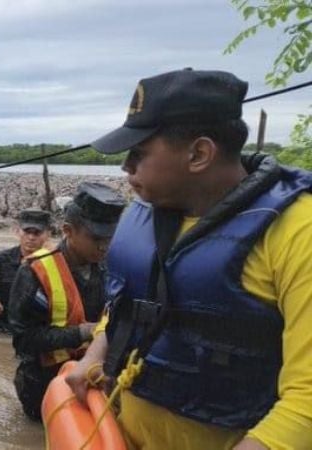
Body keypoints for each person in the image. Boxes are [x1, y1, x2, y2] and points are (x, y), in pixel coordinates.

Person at [65, 69, 312, 450]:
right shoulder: (145, 210)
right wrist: (96, 352)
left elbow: (306, 399)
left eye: (139, 153)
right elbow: (128, 305)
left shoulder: (298, 232)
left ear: (199, 153)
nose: (125, 167)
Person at [8, 182, 125, 421]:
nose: (104, 246)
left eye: (110, 237)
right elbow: (23, 341)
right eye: (95, 238)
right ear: (68, 230)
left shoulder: (112, 265)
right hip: (43, 383)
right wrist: (83, 332)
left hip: (95, 378)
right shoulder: (34, 271)